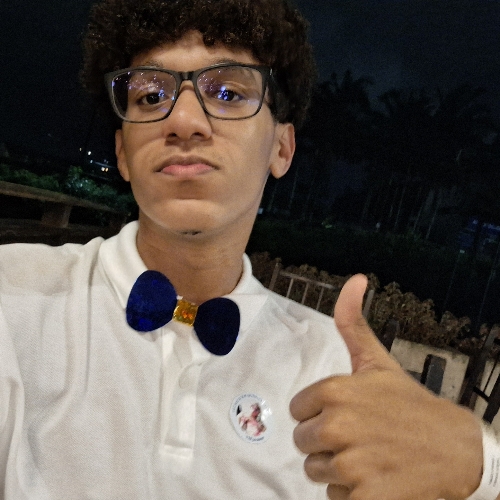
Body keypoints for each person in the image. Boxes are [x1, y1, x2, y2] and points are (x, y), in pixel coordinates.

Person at [0, 0, 498, 499]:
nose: (184, 121)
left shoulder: (330, 363)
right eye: (151, 96)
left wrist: (477, 467)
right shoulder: (14, 297)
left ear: (282, 148)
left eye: (228, 93)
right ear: (122, 153)